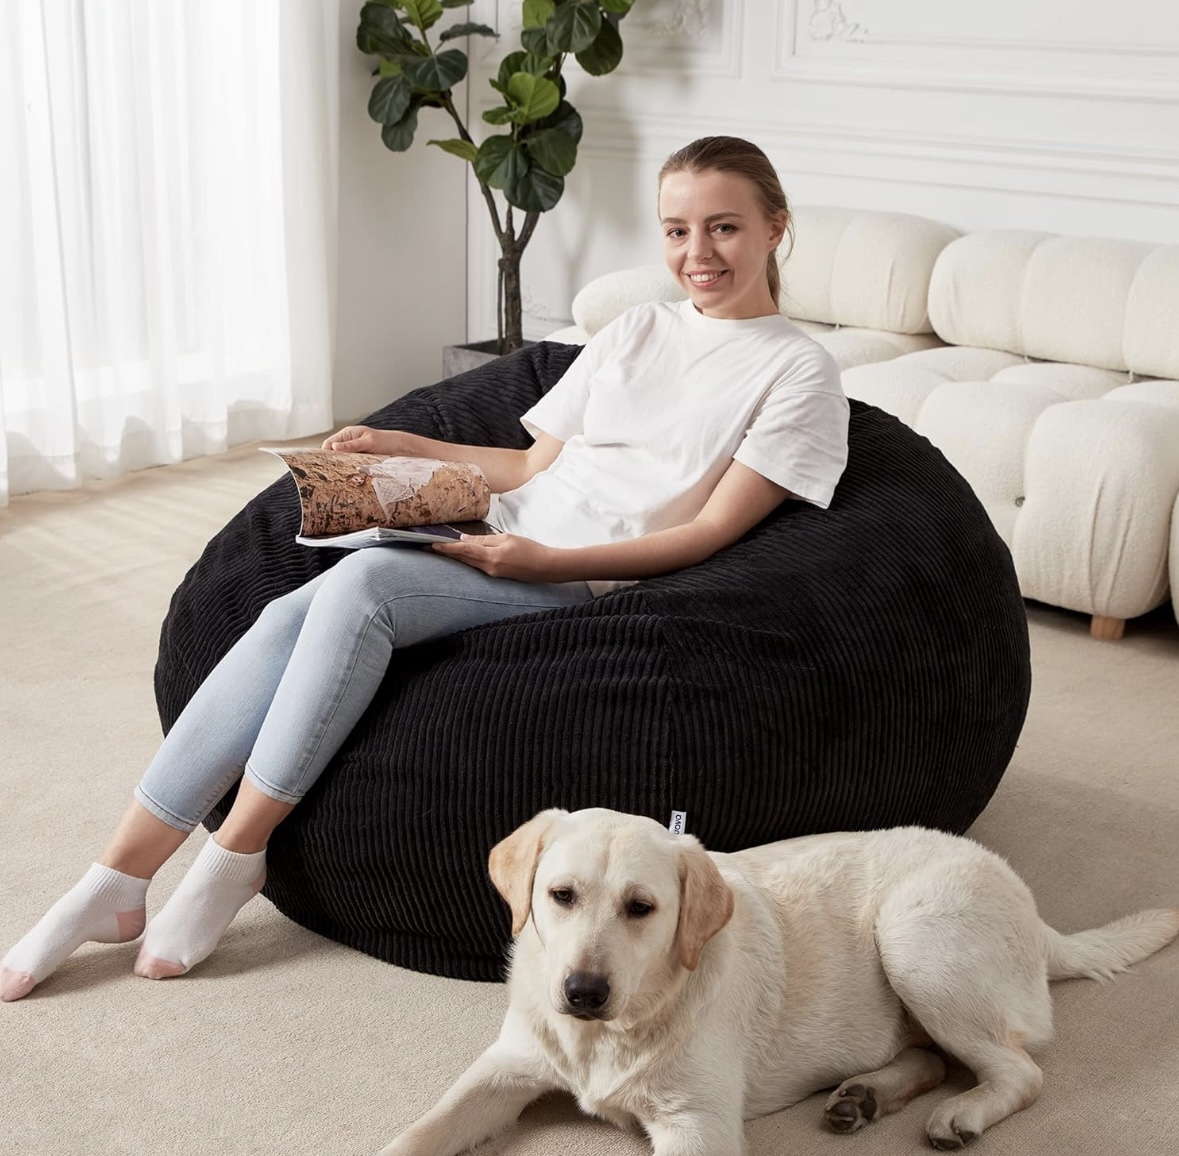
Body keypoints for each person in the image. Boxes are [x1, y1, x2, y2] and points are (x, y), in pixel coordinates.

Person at [1, 136, 849, 1002]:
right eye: (675, 231)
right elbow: (527, 468)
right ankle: (116, 877)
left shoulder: (798, 372)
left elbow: (707, 533)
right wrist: (402, 449)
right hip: (499, 530)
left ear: (775, 227)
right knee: (287, 611)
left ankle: (237, 852)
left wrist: (546, 559)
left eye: (723, 228)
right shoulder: (636, 327)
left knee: (362, 589)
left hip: (577, 574)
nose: (696, 254)